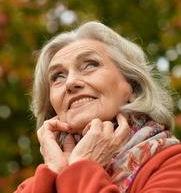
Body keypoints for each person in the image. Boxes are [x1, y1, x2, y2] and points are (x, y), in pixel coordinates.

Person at [15, 21, 181, 193]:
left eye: (90, 65)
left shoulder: (174, 165)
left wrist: (81, 167)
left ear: (132, 84)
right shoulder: (31, 187)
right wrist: (52, 172)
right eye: (58, 76)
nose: (70, 82)